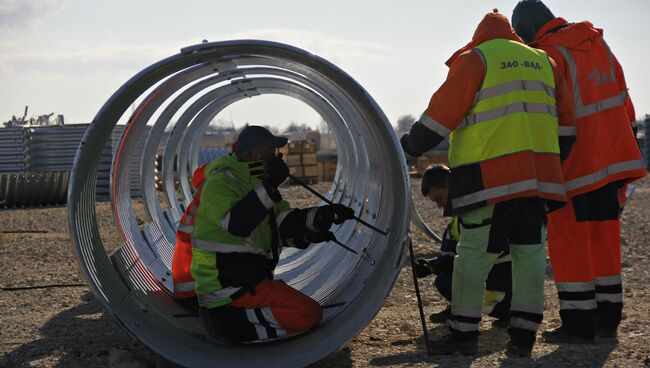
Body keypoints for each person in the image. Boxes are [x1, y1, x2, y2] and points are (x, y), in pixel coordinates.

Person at [400, 10, 576, 356]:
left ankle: (464, 334)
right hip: (538, 181)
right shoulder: (545, 62)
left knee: (471, 257)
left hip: (487, 181)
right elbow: (567, 127)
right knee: (530, 258)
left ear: (479, 37)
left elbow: (440, 117)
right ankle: (523, 339)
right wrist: (552, 164)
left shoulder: (476, 59)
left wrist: (407, 148)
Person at [512, 0, 647, 343]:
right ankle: (607, 319)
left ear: (527, 34)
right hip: (614, 159)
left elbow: (551, 115)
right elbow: (623, 96)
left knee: (569, 242)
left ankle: (579, 324)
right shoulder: (595, 41)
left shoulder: (548, 54)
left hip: (574, 166)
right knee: (604, 242)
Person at [188, 125, 355, 344]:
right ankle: (227, 324)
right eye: (271, 151)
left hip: (246, 277)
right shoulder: (221, 182)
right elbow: (237, 224)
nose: (277, 157)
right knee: (307, 314)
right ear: (253, 152)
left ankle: (237, 319)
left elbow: (281, 224)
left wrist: (321, 219)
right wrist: (269, 186)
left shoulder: (255, 183)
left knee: (305, 310)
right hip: (227, 286)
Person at [414, 165, 512, 325]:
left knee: (454, 279)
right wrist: (431, 265)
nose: (439, 206)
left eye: (439, 198)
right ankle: (462, 310)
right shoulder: (455, 225)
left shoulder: (484, 213)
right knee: (444, 280)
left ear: (450, 185)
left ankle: (472, 314)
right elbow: (450, 257)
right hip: (492, 279)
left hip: (506, 280)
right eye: (435, 202)